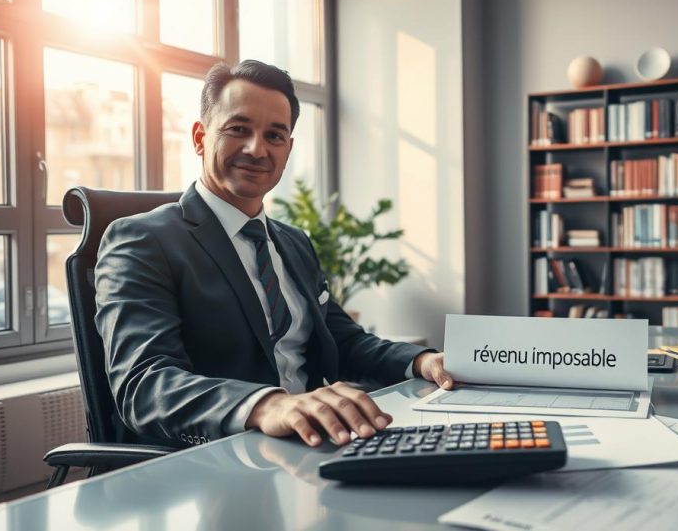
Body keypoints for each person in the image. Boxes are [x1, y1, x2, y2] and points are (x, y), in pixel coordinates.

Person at [95, 59, 453, 449]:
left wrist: (423, 361)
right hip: (219, 455)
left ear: (288, 148)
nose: (256, 149)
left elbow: (343, 340)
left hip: (313, 444)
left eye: (274, 136)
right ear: (200, 137)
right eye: (238, 130)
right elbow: (145, 384)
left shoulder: (293, 242)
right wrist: (267, 406)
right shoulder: (141, 240)